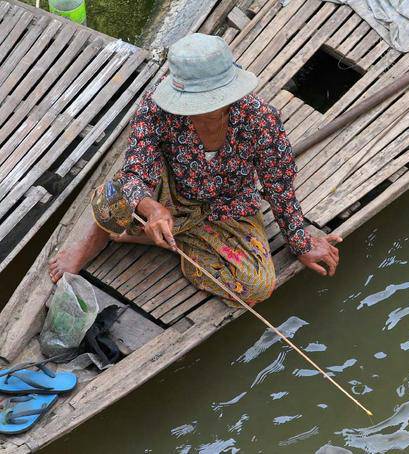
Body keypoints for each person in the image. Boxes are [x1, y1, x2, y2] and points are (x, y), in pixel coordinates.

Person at [48, 34, 342, 307]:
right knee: (115, 195)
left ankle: (163, 240)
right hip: (170, 190)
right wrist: (153, 210)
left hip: (227, 206)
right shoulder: (155, 108)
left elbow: (278, 184)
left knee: (257, 286)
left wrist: (300, 242)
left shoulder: (260, 118)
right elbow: (136, 171)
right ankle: (99, 240)